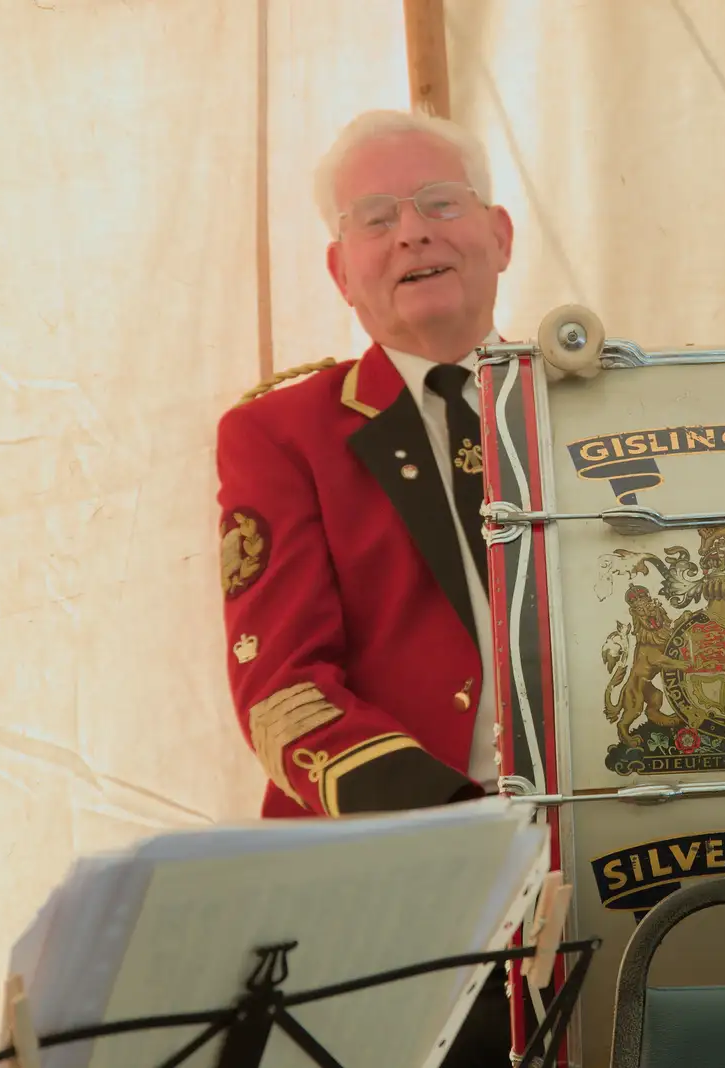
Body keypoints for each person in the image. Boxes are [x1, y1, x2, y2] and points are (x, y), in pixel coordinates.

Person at [214, 108, 517, 1064]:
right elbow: (283, 695)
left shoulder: (605, 413)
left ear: (499, 235)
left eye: (440, 203)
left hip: (607, 864)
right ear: (341, 271)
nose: (413, 232)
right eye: (375, 217)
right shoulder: (281, 435)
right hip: (394, 891)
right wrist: (464, 828)